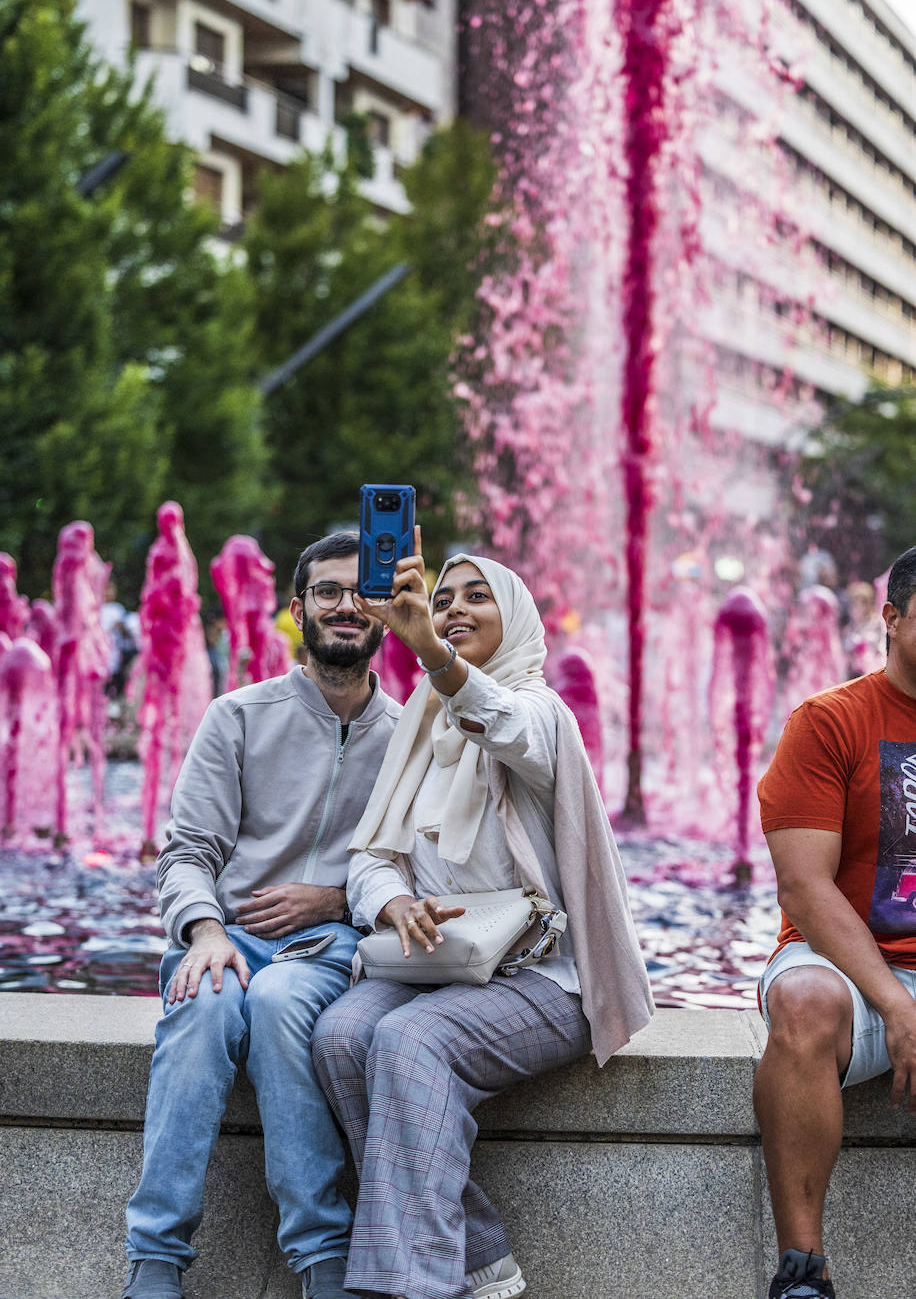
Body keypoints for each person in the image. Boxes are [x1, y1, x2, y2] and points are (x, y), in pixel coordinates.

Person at [311, 531, 653, 1299]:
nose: (455, 609)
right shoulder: (420, 727)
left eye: (475, 596)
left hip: (546, 975)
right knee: (338, 1035)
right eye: (442, 599)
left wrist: (432, 651)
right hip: (440, 960)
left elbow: (503, 725)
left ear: (517, 617)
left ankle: (416, 1285)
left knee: (407, 1040)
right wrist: (393, 899)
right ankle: (478, 1258)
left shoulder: (535, 712)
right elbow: (372, 853)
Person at [122, 532, 401, 1299]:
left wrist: (339, 898)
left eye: (361, 593)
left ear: (383, 613)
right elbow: (186, 855)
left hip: (337, 945)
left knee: (280, 1002)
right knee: (203, 1002)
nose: (346, 605)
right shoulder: (236, 717)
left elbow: (425, 871)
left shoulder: (411, 738)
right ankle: (153, 1259)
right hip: (232, 937)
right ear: (297, 610)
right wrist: (205, 932)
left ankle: (319, 1255)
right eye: (327, 592)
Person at [755, 543, 916, 1299]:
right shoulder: (828, 722)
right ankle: (803, 1271)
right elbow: (804, 890)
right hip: (849, 967)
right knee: (802, 1004)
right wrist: (893, 999)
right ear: (890, 618)